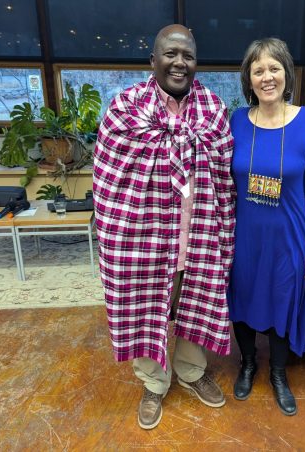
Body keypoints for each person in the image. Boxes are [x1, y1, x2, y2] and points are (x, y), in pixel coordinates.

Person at [92, 24, 236, 430]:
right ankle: (154, 383)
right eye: (170, 54)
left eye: (187, 56)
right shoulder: (125, 109)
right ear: (152, 61)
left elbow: (226, 178)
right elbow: (108, 180)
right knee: (142, 305)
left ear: (196, 63)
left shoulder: (212, 109)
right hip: (142, 238)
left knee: (197, 301)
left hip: (200, 234)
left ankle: (191, 372)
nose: (179, 62)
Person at [228, 38, 305, 416]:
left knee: (284, 298)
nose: (267, 77)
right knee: (242, 298)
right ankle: (248, 363)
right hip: (245, 233)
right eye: (258, 70)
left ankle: (279, 373)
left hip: (290, 235)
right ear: (248, 79)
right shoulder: (236, 120)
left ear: (287, 73)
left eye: (274, 68)